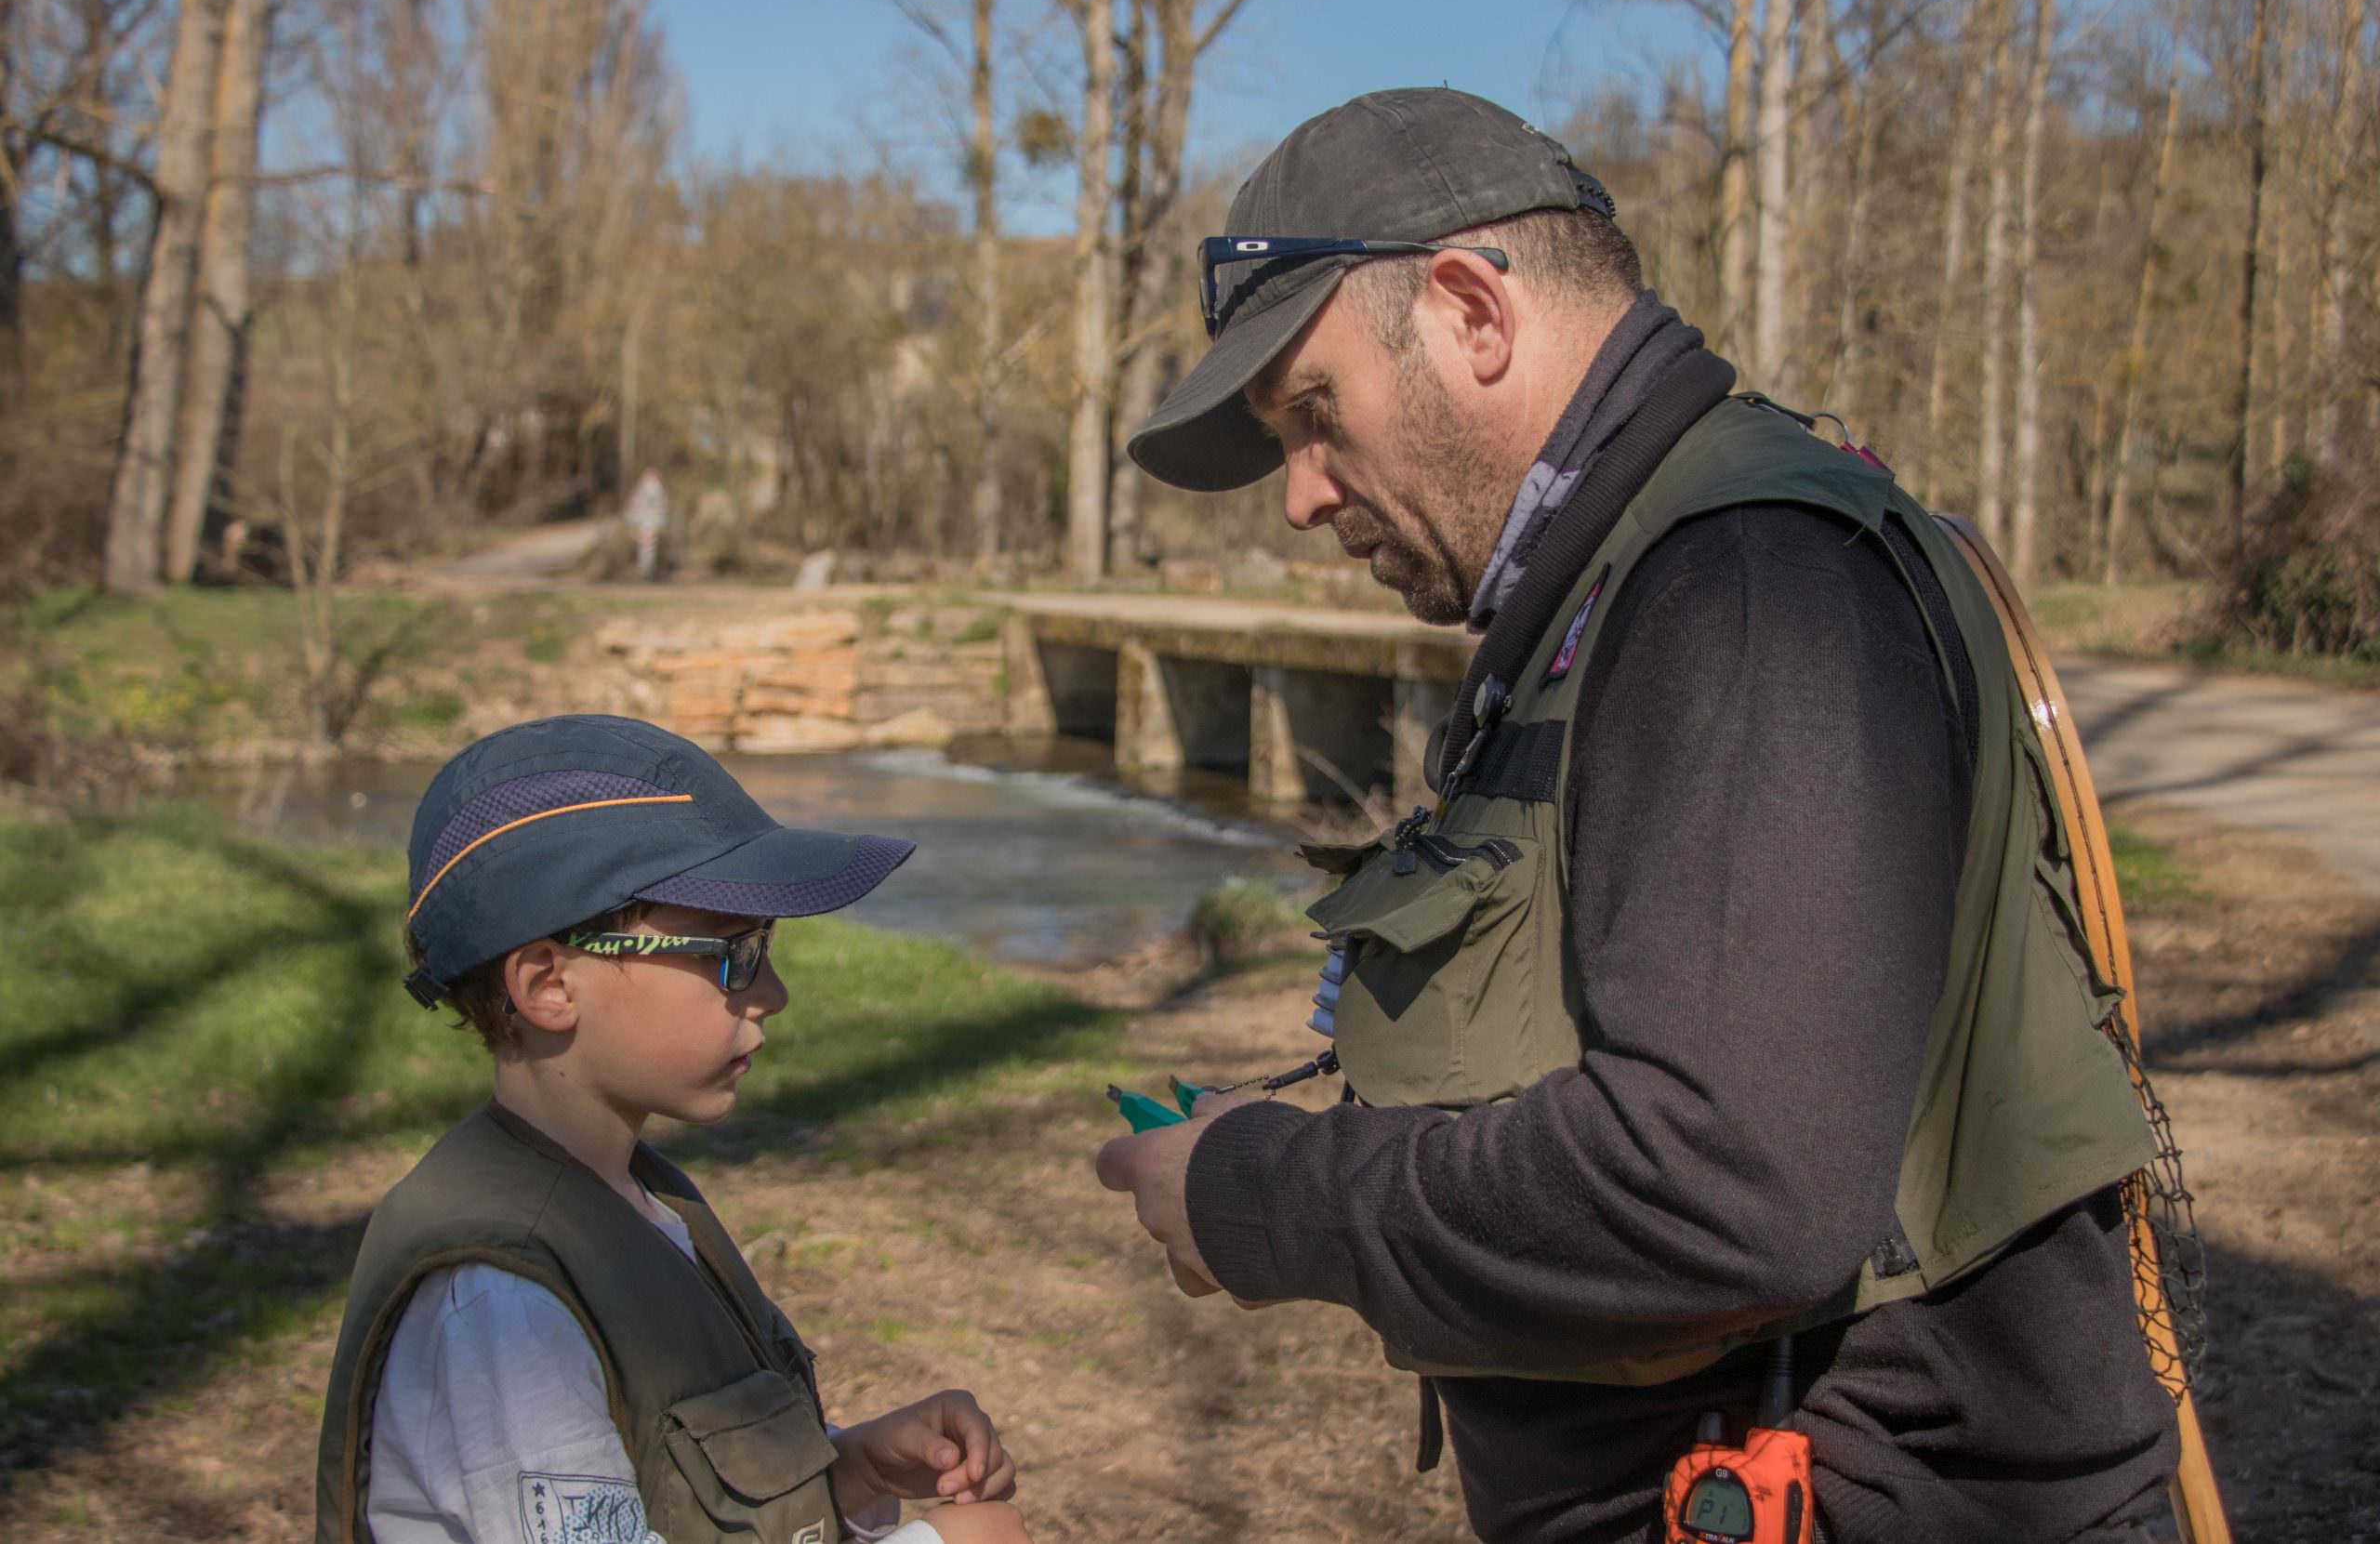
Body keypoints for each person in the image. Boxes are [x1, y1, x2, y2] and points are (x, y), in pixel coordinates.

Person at [1093, 87, 2181, 1543]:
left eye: (1313, 414)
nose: (1297, 495)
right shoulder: (1623, 577)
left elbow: (1723, 1179)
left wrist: (1258, 1192)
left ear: (1475, 311)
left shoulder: (1744, 583)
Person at [316, 714, 1030, 1544]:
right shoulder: (502, 1306)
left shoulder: (640, 1199)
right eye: (733, 954)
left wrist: (847, 1474)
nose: (774, 994)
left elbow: (669, 1495)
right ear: (549, 984)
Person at [626, 468, 669, 582]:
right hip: (646, 523)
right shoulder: (652, 489)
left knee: (648, 547)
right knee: (647, 547)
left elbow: (661, 506)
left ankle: (647, 571)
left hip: (649, 523)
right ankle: (646, 571)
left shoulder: (650, 489)